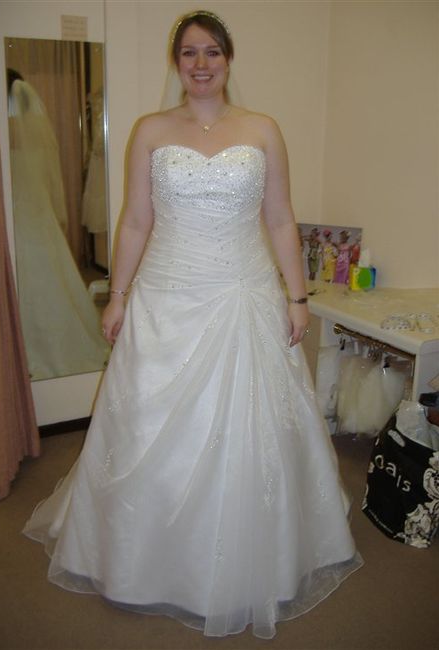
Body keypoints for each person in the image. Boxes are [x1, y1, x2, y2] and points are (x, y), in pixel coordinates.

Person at [23, 11, 362, 639]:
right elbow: (134, 221)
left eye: (212, 52)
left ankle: (255, 559)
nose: (201, 64)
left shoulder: (263, 129)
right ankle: (144, 561)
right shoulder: (150, 131)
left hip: (244, 294)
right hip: (167, 297)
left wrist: (297, 297)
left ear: (229, 59)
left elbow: (281, 219)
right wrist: (117, 296)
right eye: (188, 53)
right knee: (149, 427)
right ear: (175, 62)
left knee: (253, 429)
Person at [8, 73, 110, 380]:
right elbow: (51, 182)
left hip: (18, 218)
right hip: (40, 218)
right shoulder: (38, 133)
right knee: (51, 283)